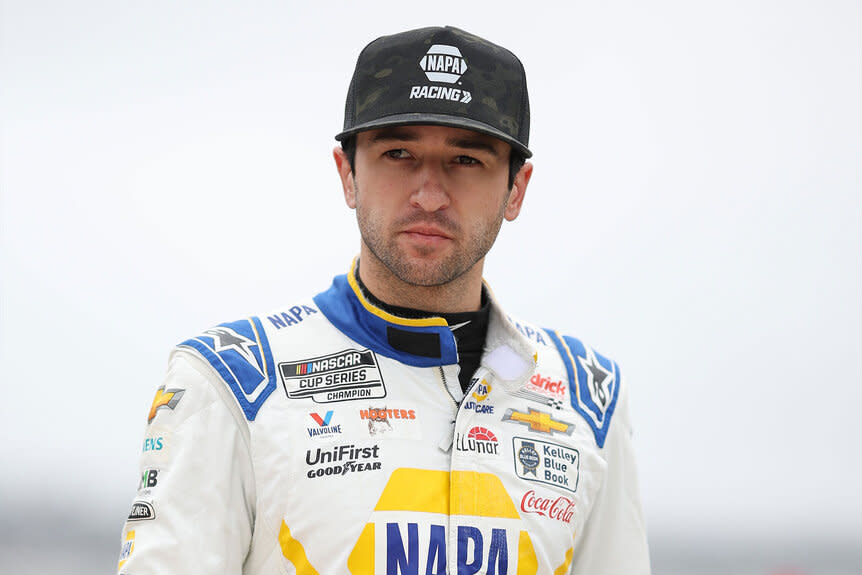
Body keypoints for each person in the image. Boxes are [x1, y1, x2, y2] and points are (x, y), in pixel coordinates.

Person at [117, 25, 650, 574]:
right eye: (398, 153)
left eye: (466, 160)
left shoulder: (589, 399)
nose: (429, 195)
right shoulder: (230, 382)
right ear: (347, 173)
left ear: (516, 188)